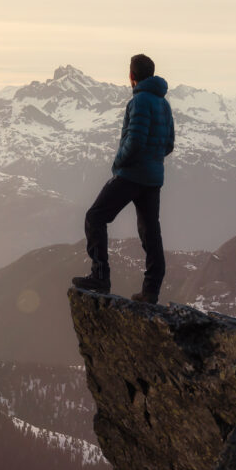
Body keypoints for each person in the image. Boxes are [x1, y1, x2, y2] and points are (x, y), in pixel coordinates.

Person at [72, 53, 175, 303]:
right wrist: (153, 161)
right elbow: (169, 144)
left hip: (131, 175)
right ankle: (150, 291)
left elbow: (135, 141)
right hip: (153, 179)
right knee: (150, 232)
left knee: (95, 216)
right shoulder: (164, 103)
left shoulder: (139, 101)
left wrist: (119, 161)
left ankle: (100, 277)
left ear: (131, 76)